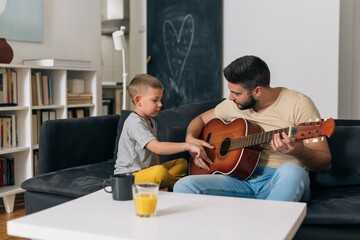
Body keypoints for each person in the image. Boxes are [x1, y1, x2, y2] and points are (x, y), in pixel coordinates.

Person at [173, 55, 331, 201]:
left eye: (236, 93)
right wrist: (191, 140)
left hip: (279, 180)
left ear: (258, 91)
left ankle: (267, 225)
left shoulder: (299, 104)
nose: (230, 97)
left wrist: (298, 151)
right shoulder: (234, 104)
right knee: (183, 185)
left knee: (293, 172)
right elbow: (199, 119)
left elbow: (325, 163)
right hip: (238, 179)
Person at [114, 74, 205, 190]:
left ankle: (159, 185)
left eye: (160, 99)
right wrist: (188, 146)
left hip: (147, 172)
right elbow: (157, 147)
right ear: (138, 100)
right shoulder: (135, 122)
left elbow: (154, 153)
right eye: (155, 100)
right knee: (159, 173)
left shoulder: (151, 122)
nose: (160, 104)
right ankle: (174, 185)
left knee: (181, 163)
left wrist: (158, 167)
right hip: (129, 177)